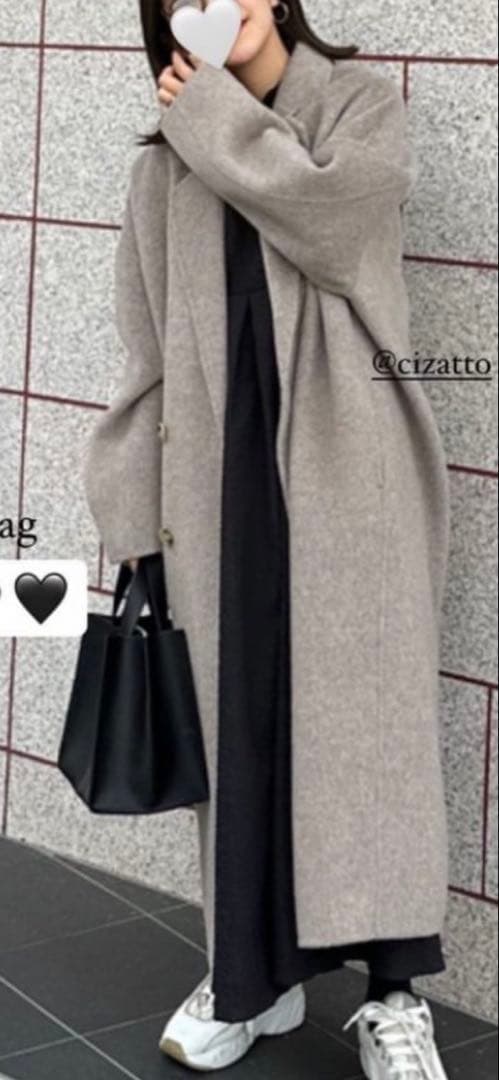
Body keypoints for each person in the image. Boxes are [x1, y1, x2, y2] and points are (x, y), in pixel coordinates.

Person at [83, 1, 452, 1077]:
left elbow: (333, 228)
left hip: (352, 473)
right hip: (214, 484)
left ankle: (393, 1000)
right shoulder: (162, 169)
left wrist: (209, 118)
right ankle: (251, 981)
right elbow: (146, 354)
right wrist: (129, 512)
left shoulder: (358, 107)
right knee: (235, 729)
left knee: (369, 730)